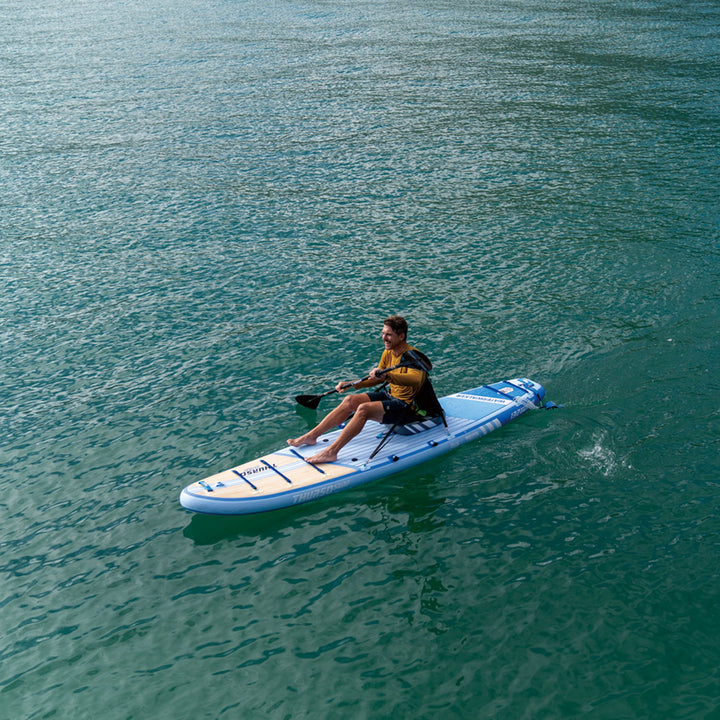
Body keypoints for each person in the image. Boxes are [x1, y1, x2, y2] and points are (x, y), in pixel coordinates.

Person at [288, 316, 430, 464]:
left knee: (363, 409)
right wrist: (352, 384)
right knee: (350, 400)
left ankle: (331, 452)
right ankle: (311, 436)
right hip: (391, 396)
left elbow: (416, 379)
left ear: (401, 336)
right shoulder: (388, 352)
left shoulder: (413, 356)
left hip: (409, 407)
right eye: (383, 333)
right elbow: (379, 378)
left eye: (388, 335)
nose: (384, 338)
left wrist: (388, 375)